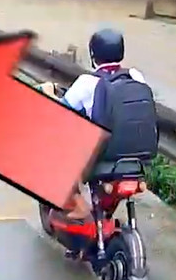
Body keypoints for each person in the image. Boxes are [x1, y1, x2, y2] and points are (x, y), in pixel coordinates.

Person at [58, 28, 158, 230]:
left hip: (104, 155)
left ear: (93, 54)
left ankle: (78, 204)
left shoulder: (87, 83)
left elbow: (62, 112)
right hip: (138, 157)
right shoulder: (136, 76)